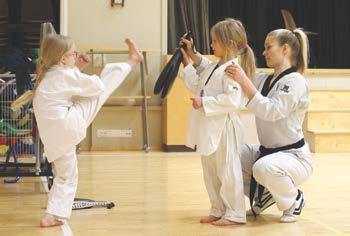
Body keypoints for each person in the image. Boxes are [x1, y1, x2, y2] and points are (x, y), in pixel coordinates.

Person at [30, 34, 143, 227]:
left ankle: (52, 215)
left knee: (65, 175)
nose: (76, 55)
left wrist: (77, 69)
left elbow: (68, 89)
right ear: (62, 58)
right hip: (66, 127)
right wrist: (79, 72)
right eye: (74, 53)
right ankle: (132, 60)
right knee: (103, 88)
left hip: (53, 137)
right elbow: (95, 86)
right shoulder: (65, 74)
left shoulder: (49, 75)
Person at [225, 28, 313, 223]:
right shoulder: (265, 79)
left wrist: (244, 82)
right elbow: (239, 86)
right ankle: (265, 197)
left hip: (294, 157)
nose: (264, 52)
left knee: (263, 168)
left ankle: (294, 200)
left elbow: (272, 111)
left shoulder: (296, 81)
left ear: (285, 49)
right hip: (268, 152)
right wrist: (195, 62)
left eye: (268, 47)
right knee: (230, 155)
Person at [179, 18, 256, 226]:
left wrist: (204, 101)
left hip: (224, 128)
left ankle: (235, 213)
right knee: (210, 170)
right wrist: (188, 57)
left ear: (230, 44)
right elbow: (199, 78)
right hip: (210, 127)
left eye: (215, 41)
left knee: (227, 170)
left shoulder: (232, 70)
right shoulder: (216, 65)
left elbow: (233, 101)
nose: (211, 44)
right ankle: (218, 208)